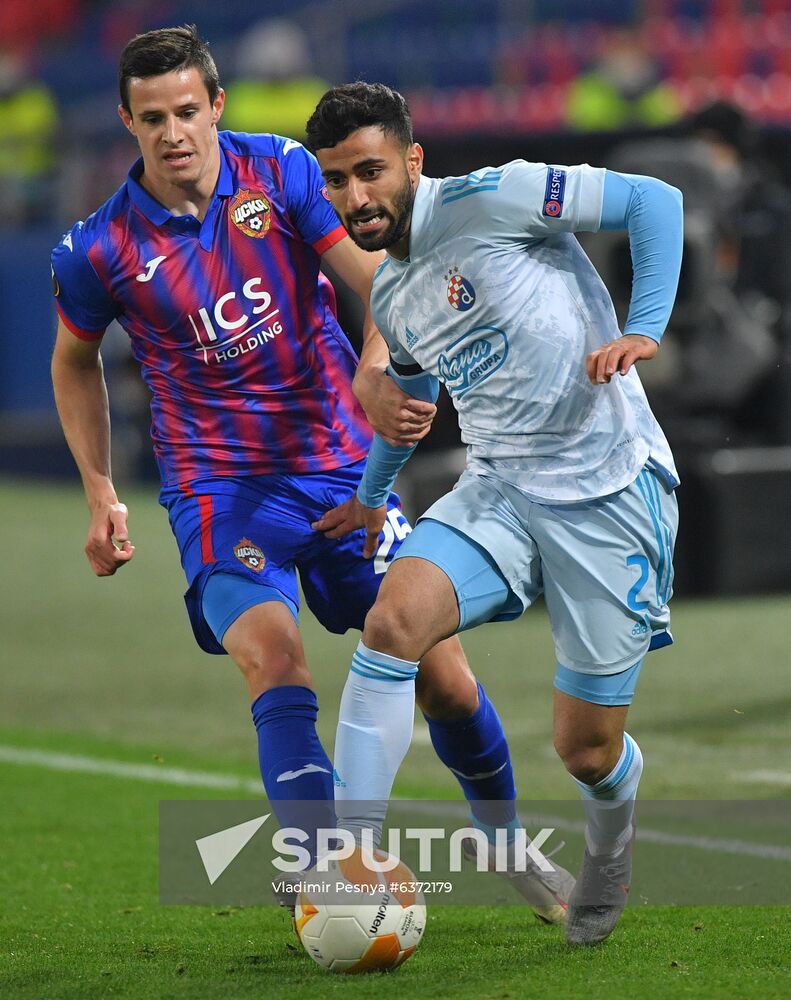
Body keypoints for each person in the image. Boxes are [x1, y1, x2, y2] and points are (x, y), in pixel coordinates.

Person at [49, 26, 573, 924]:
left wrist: (377, 366)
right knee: (272, 656)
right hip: (220, 491)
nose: (173, 133)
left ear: (216, 104)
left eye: (186, 111)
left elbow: (373, 280)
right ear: (128, 123)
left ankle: (507, 843)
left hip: (340, 470)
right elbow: (72, 360)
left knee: (440, 674)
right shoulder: (96, 250)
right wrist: (100, 487)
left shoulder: (285, 173)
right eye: (151, 119)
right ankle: (329, 873)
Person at [306, 82, 683, 946]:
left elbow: (651, 200)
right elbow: (410, 398)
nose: (355, 197)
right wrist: (371, 498)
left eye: (369, 172)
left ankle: (609, 851)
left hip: (605, 492)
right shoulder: (394, 293)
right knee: (394, 619)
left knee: (585, 751)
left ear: (411, 161)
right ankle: (350, 862)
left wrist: (646, 328)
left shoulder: (500, 195)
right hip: (499, 490)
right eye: (335, 181)